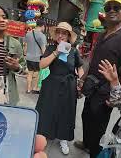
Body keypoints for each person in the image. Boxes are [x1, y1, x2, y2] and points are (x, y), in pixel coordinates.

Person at [74, 0, 121, 157]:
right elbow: (93, 61)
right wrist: (83, 78)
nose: (111, 10)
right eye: (108, 8)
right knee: (86, 117)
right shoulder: (102, 34)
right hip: (91, 87)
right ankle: (87, 144)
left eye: (116, 7)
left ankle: (94, 152)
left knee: (98, 127)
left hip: (106, 93)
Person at [35, 22, 84, 155]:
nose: (61, 35)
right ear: (55, 34)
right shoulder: (51, 48)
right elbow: (42, 65)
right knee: (47, 110)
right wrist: (57, 52)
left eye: (64, 33)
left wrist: (81, 82)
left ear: (69, 36)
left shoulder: (74, 51)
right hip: (52, 83)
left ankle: (63, 138)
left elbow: (79, 68)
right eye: (59, 32)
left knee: (66, 112)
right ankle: (43, 136)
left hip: (69, 85)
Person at [24, 19, 47, 94]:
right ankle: (34, 88)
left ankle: (28, 89)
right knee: (37, 74)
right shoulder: (42, 36)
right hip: (37, 58)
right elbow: (43, 49)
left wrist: (25, 54)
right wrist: (46, 58)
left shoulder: (28, 34)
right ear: (43, 26)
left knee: (30, 73)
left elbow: (25, 46)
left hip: (28, 57)